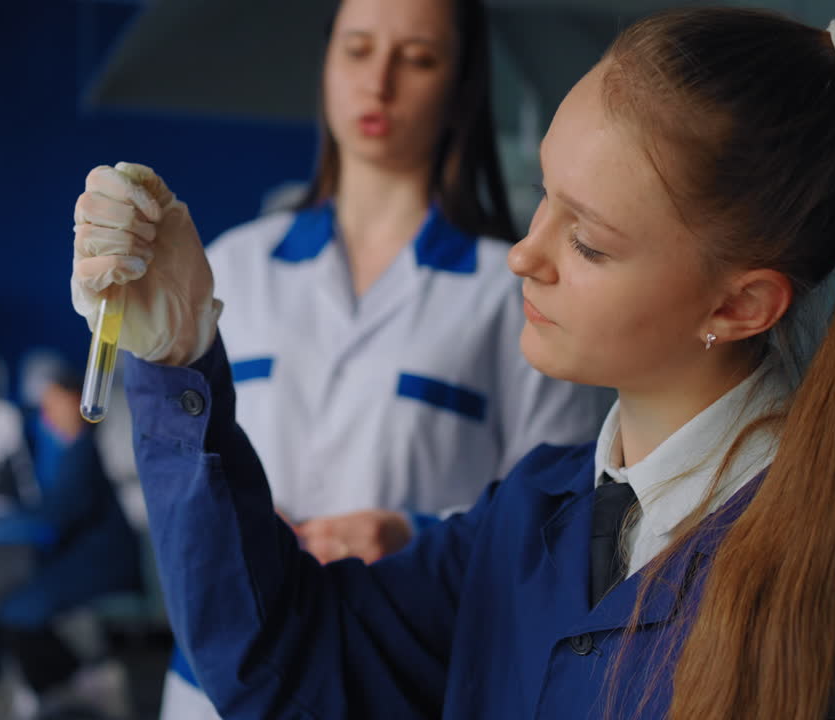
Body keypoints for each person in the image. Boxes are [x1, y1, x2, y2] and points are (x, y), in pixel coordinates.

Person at [68, 7, 835, 718]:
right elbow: (283, 663)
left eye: (589, 243)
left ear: (739, 307)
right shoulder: (528, 517)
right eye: (543, 195)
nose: (524, 254)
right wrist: (178, 359)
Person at [146, 0, 611, 714]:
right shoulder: (233, 267)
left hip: (391, 671)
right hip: (214, 683)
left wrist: (416, 536)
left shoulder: (515, 290)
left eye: (417, 59)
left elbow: (556, 516)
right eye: (358, 50)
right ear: (326, 63)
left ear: (461, 86)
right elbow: (158, 464)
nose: (379, 83)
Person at [0, 368, 140, 719]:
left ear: (75, 402)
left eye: (53, 405)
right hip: (89, 561)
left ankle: (74, 684)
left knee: (16, 609)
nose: (47, 415)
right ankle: (67, 685)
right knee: (12, 603)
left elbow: (54, 518)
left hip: (102, 567)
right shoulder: (75, 452)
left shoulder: (82, 453)